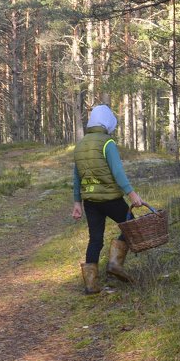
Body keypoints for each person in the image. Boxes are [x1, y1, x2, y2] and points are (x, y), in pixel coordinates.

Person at [71, 104, 144, 294]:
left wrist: (77, 202)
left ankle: (90, 284)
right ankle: (114, 264)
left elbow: (77, 177)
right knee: (131, 226)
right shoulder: (107, 143)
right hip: (111, 200)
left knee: (95, 239)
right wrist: (132, 194)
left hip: (91, 202)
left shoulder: (81, 145)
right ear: (106, 122)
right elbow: (118, 172)